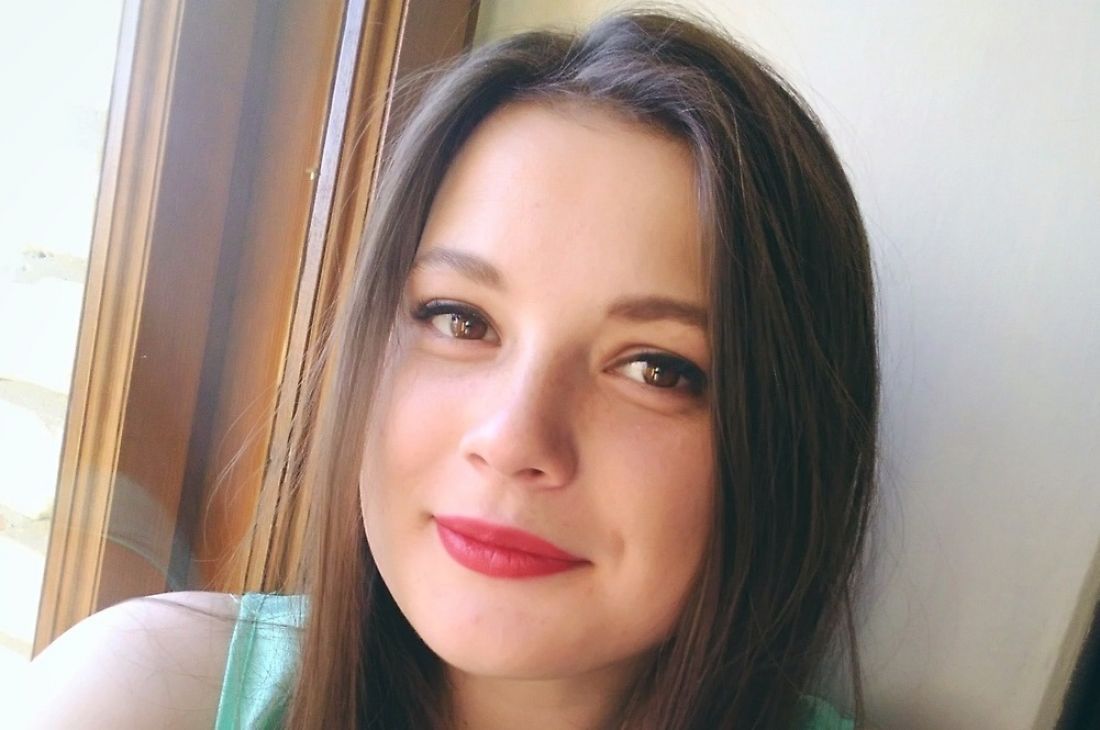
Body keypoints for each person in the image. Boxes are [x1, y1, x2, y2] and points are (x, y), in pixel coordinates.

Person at [21, 9, 878, 730]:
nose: (512, 439)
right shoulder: (141, 695)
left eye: (655, 368)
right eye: (460, 320)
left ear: (786, 445)